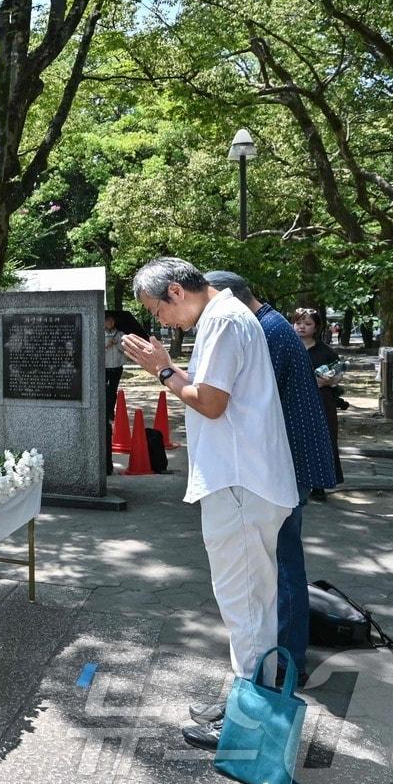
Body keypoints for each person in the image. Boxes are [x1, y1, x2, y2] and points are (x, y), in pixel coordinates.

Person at [121, 258, 298, 752]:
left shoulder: (220, 319)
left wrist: (161, 369)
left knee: (244, 605)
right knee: (255, 602)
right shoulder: (230, 315)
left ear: (176, 291)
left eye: (157, 309)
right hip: (248, 481)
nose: (159, 321)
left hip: (239, 483)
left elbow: (210, 402)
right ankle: (250, 698)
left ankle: (248, 722)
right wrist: (169, 366)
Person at [205, 272, 337, 700]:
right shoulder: (272, 326)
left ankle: (285, 661)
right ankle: (284, 657)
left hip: (283, 466)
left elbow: (244, 403)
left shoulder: (265, 332)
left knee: (280, 564)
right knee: (279, 561)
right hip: (287, 462)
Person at [292, 308, 345, 498]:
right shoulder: (289, 346)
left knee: (324, 438)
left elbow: (338, 373)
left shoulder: (326, 351)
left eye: (307, 324)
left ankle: (320, 484)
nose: (302, 327)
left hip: (322, 400)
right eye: (299, 323)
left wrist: (329, 380)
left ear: (316, 327)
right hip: (295, 400)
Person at [103, 312, 126, 421]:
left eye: (112, 320)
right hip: (104, 368)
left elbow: (124, 350)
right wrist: (107, 345)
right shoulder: (100, 334)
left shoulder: (121, 334)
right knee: (103, 391)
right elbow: (97, 351)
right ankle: (104, 412)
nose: (110, 322)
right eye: (107, 320)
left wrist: (117, 344)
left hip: (117, 367)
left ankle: (111, 412)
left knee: (113, 391)